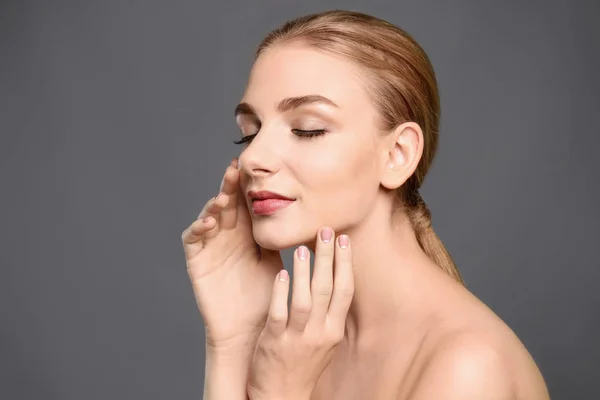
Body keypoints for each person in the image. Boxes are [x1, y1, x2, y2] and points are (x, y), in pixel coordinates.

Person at [181, 9, 550, 400]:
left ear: (397, 154)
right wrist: (233, 342)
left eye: (308, 129)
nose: (254, 158)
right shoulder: (299, 346)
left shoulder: (468, 368)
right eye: (249, 133)